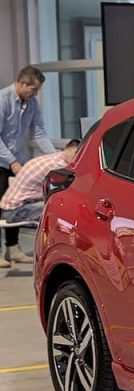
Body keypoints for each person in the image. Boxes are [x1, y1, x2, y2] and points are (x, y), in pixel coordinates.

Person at [1, 66, 56, 267]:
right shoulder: (3, 100)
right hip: (3, 160)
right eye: (34, 89)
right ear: (22, 83)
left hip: (18, 159)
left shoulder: (31, 103)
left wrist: (56, 158)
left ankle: (12, 248)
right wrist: (12, 162)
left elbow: (39, 132)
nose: (35, 93)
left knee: (17, 203)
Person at [0, 140, 77, 267]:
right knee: (60, 210)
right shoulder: (58, 166)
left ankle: (14, 251)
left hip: (13, 206)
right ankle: (56, 253)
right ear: (73, 152)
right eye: (77, 156)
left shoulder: (54, 158)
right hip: (14, 210)